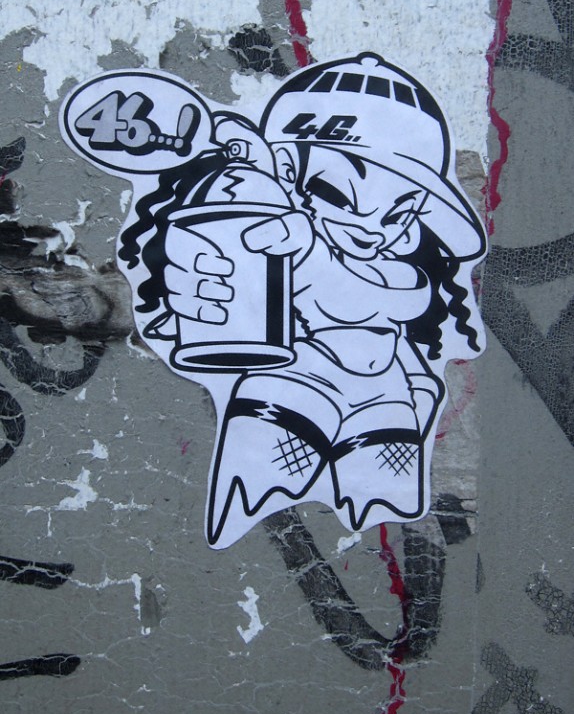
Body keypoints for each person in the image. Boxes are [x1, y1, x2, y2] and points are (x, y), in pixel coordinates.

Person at [120, 53, 487, 548]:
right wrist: (198, 277)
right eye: (337, 196)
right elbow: (228, 287)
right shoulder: (277, 245)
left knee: (388, 516)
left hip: (387, 399)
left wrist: (308, 252)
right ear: (290, 174)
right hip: (294, 382)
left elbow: (378, 296)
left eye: (398, 213)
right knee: (254, 492)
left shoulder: (395, 273)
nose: (371, 227)